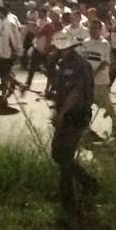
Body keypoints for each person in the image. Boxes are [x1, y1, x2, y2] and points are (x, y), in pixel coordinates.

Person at [51, 35, 97, 215]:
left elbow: (76, 92)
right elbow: (63, 90)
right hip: (67, 112)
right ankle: (68, 192)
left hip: (75, 114)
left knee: (62, 153)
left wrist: (61, 113)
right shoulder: (63, 63)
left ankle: (85, 186)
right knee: (61, 153)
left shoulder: (77, 65)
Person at [82, 20, 116, 141]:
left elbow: (104, 62)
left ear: (100, 30)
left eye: (96, 28)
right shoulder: (85, 42)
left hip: (100, 81)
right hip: (87, 81)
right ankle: (86, 129)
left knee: (106, 104)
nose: (93, 30)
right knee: (85, 105)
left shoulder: (104, 44)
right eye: (91, 28)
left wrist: (93, 74)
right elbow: (84, 59)